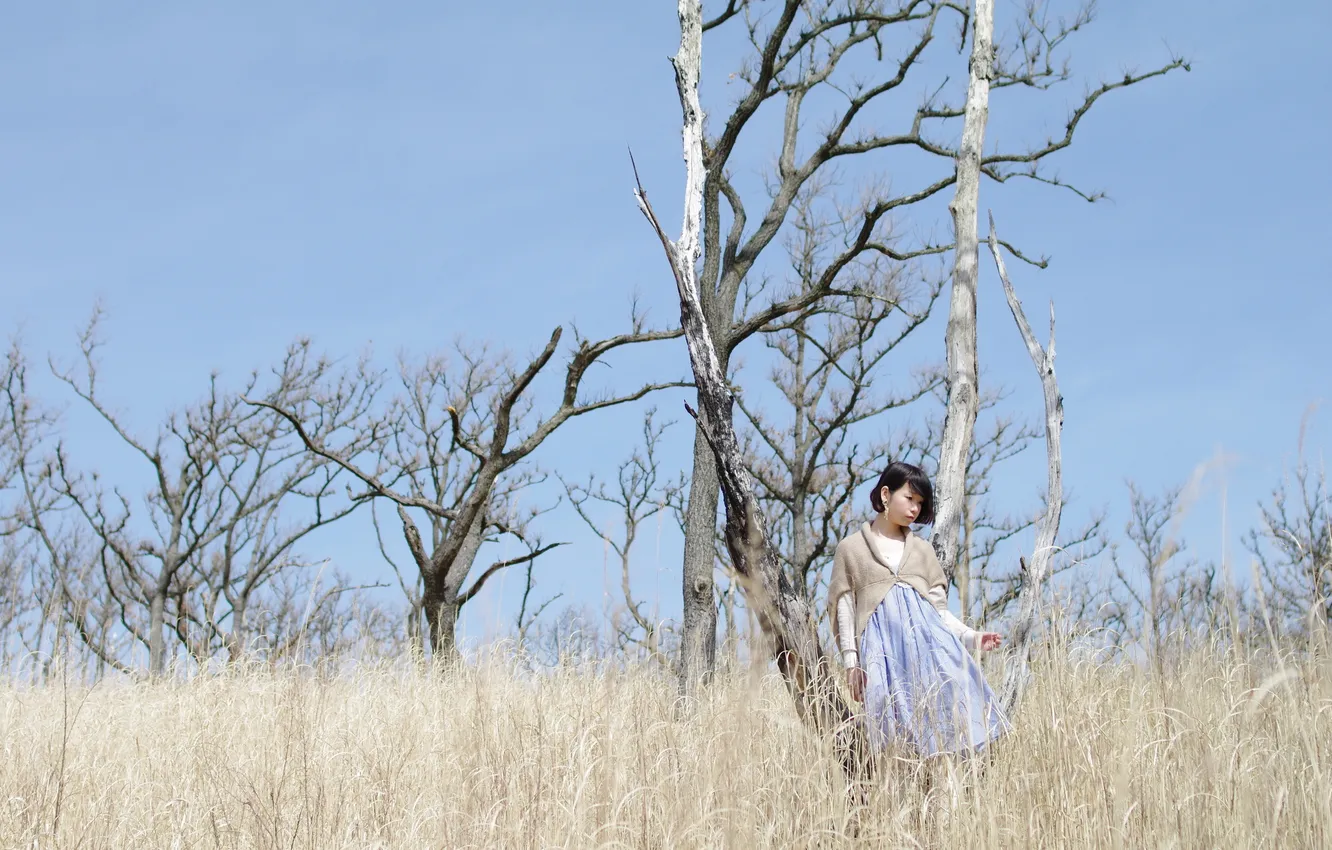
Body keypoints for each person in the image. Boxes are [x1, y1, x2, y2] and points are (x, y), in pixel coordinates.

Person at [829, 460, 1009, 757]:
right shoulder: (851, 548)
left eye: (920, 502)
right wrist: (851, 663)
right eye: (909, 498)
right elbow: (844, 610)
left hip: (927, 654)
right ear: (886, 494)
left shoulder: (922, 551)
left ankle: (944, 800)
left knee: (942, 734)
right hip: (882, 658)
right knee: (892, 746)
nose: (914, 508)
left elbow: (939, 614)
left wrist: (971, 637)